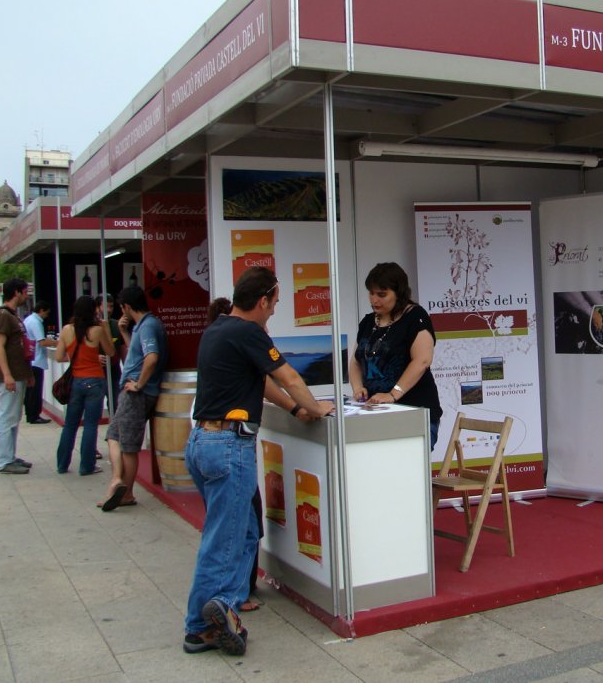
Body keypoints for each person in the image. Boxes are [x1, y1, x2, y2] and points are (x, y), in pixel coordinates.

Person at [183, 267, 334, 656]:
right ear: (263, 300)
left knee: (245, 531)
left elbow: (263, 383)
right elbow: (289, 378)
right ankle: (202, 624)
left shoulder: (218, 328)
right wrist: (315, 407)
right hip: (229, 446)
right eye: (276, 302)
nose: (275, 310)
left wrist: (295, 410)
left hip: (202, 440)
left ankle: (225, 608)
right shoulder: (249, 332)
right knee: (225, 538)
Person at [349, 262, 442, 449]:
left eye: (382, 294)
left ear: (398, 293)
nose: (374, 299)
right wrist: (358, 388)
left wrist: (393, 394)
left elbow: (422, 360)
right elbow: (356, 360)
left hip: (413, 412)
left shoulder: (415, 317)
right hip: (377, 414)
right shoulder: (368, 322)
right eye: (371, 293)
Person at [98, 285, 167, 512]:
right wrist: (125, 333)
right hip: (136, 391)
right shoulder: (143, 327)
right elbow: (139, 354)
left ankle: (124, 490)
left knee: (127, 444)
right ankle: (118, 480)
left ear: (126, 306)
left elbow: (151, 357)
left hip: (136, 393)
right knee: (114, 435)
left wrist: (138, 384)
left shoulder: (147, 326)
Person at [55, 296, 116, 476]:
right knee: (90, 425)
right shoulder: (97, 330)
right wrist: (105, 328)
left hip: (75, 381)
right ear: (93, 311)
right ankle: (86, 466)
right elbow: (111, 352)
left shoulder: (67, 330)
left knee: (70, 424)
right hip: (95, 380)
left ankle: (62, 464)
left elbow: (59, 356)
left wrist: (76, 357)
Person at [0, 278, 35, 474]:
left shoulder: (12, 316)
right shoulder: (3, 316)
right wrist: (7, 375)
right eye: (25, 292)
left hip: (19, 374)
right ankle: (4, 460)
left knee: (14, 416)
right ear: (16, 293)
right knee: (7, 416)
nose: (27, 296)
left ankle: (10, 455)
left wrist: (27, 373)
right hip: (11, 376)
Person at [23, 301, 57, 424]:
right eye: (46, 313)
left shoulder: (28, 319)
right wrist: (58, 343)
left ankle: (30, 413)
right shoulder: (36, 322)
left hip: (31, 360)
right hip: (36, 360)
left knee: (30, 390)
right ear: (41, 310)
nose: (46, 316)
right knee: (35, 390)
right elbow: (41, 342)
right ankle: (34, 415)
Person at [94, 294, 123, 413]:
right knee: (95, 406)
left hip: (114, 371)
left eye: (111, 306)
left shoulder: (116, 325)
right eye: (106, 307)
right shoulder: (90, 326)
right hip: (96, 372)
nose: (109, 310)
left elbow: (123, 349)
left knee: (116, 404)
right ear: (97, 307)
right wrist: (94, 357)